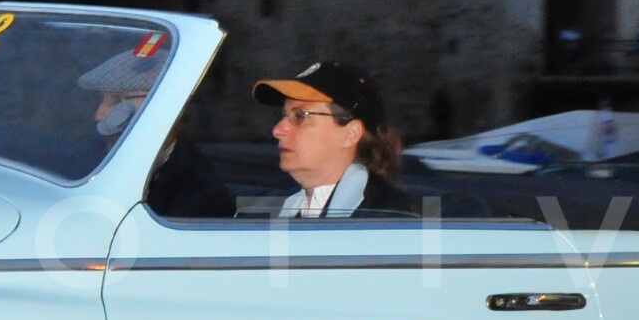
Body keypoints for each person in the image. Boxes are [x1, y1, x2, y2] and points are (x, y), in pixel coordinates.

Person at [76, 45, 233, 218]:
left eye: (117, 101)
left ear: (165, 107)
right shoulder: (79, 161)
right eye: (102, 99)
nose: (99, 115)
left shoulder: (202, 194)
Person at [253, 61, 414, 217]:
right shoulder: (268, 212)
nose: (278, 130)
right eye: (282, 116)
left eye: (300, 116)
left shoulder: (390, 219)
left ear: (351, 134)